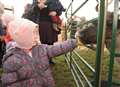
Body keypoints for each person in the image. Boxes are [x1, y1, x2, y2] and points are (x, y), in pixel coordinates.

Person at [1, 18, 78, 87]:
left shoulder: (41, 49)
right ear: (22, 37)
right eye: (33, 33)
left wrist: (75, 42)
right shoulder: (11, 60)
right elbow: (10, 82)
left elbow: (58, 48)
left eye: (36, 33)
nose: (37, 36)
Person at [23, 0, 65, 64]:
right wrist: (38, 7)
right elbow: (31, 11)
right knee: (40, 42)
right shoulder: (35, 1)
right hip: (39, 24)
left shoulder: (54, 1)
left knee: (50, 43)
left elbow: (60, 9)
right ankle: (39, 59)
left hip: (50, 24)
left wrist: (56, 12)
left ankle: (49, 59)